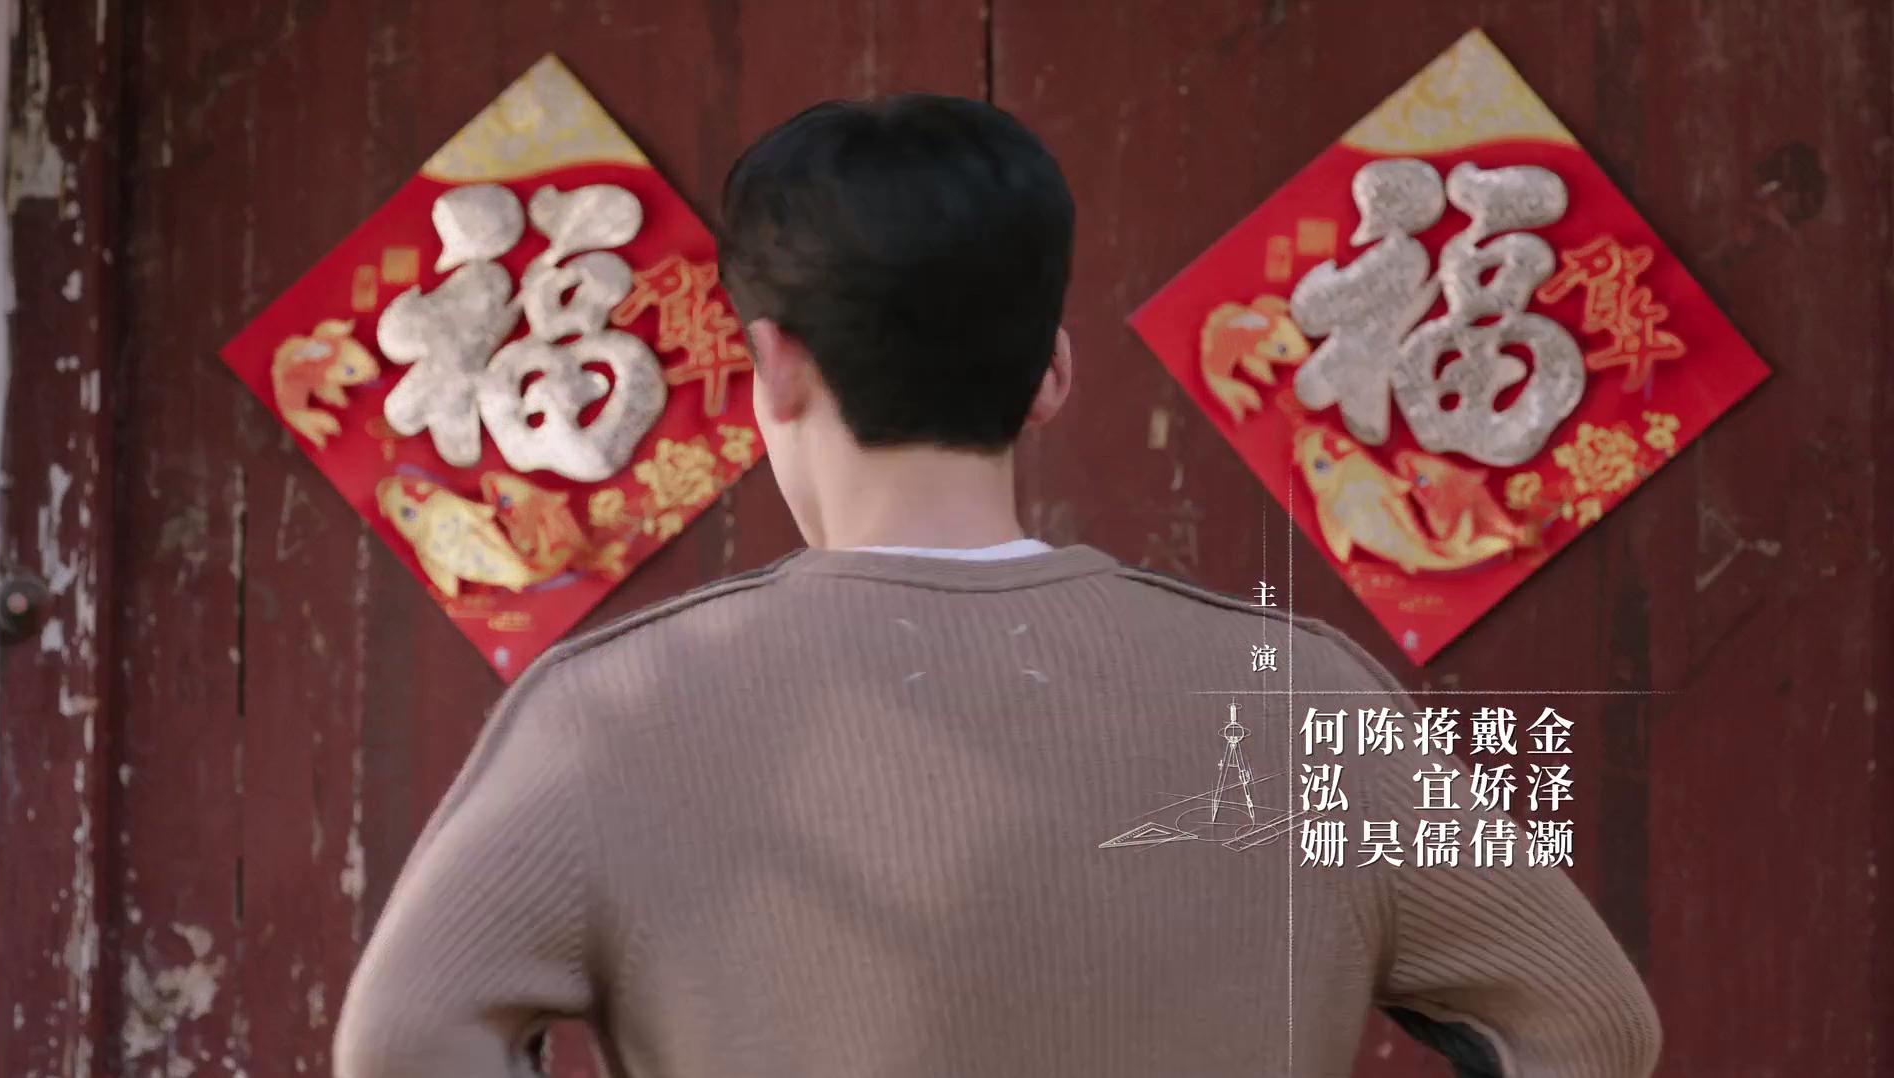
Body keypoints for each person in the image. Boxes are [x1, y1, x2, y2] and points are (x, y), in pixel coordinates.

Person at [334, 93, 1661, 1078]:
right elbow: (1591, 1022)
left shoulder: (613, 709)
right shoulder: (1306, 700)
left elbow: (403, 1037)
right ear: (1051, 374)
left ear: (774, 364)